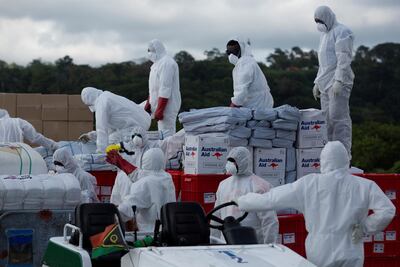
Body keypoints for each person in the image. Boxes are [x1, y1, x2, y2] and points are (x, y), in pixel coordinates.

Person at [238, 141, 396, 267]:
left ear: (323, 161)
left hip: (320, 250)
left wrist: (242, 201)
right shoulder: (364, 185)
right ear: (346, 159)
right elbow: (387, 210)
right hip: (351, 248)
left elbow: (271, 199)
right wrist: (365, 227)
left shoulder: (309, 184)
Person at [212, 147, 278, 244]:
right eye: (229, 161)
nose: (230, 164)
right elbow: (216, 216)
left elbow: (269, 222)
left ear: (243, 162)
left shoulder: (259, 186)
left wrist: (269, 246)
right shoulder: (223, 185)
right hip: (225, 244)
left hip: (252, 245)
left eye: (233, 161)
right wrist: (213, 242)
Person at [313, 6, 354, 158]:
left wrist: (339, 80)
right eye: (316, 21)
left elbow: (344, 58)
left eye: (320, 20)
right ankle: (330, 157)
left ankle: (344, 156)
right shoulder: (324, 35)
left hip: (338, 83)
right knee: (327, 122)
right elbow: (324, 62)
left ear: (328, 17)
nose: (318, 24)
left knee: (339, 120)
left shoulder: (342, 31)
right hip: (325, 83)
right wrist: (317, 82)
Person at [114, 148, 176, 232]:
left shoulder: (144, 184)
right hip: (168, 229)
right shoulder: (167, 178)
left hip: (149, 233)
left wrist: (112, 215)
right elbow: (147, 175)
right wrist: (124, 165)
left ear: (145, 161)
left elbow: (129, 208)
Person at [80, 87, 151, 153]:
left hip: (137, 127)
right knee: (111, 137)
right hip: (144, 119)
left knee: (111, 142)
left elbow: (101, 129)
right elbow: (111, 129)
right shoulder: (107, 96)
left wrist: (101, 152)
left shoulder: (101, 103)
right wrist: (92, 136)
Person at [144, 39, 181, 139]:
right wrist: (148, 103)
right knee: (161, 135)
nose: (149, 53)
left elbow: (165, 89)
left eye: (150, 51)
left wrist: (160, 110)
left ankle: (170, 154)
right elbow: (153, 88)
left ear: (157, 49)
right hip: (157, 105)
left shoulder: (167, 63)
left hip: (167, 107)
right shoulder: (155, 65)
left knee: (167, 135)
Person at [226, 38, 273, 109]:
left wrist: (234, 105)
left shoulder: (244, 63)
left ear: (241, 49)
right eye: (229, 51)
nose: (231, 54)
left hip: (256, 103)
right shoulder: (248, 61)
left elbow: (241, 88)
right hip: (262, 102)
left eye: (234, 51)